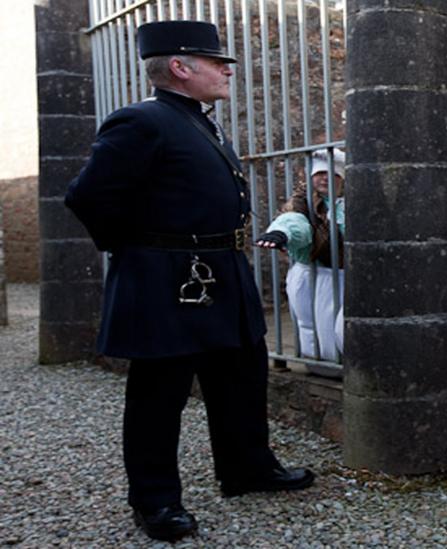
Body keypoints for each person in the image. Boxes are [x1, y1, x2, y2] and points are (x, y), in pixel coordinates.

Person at [64, 21, 314, 542]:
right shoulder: (141, 121)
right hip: (166, 280)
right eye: (216, 61)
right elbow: (88, 197)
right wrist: (139, 252)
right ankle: (155, 500)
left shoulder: (201, 122)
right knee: (160, 393)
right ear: (180, 67)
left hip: (223, 271)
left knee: (241, 374)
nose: (227, 69)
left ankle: (246, 467)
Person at [255, 149, 345, 362]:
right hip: (311, 273)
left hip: (342, 276)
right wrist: (282, 233)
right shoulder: (302, 203)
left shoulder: (349, 204)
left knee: (337, 330)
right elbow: (296, 221)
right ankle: (317, 364)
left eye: (333, 174)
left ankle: (338, 365)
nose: (325, 178)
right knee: (309, 326)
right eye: (320, 173)